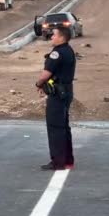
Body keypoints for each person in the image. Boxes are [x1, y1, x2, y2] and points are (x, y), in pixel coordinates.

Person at [35, 27, 76, 170]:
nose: (51, 37)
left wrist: (38, 84)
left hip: (58, 94)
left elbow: (46, 74)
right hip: (67, 92)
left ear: (61, 38)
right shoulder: (69, 50)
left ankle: (58, 162)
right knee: (64, 127)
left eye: (54, 35)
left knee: (55, 128)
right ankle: (68, 160)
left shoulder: (57, 53)